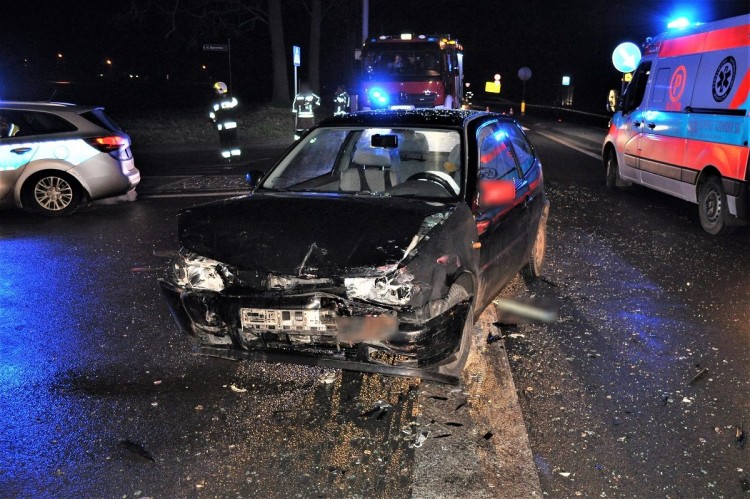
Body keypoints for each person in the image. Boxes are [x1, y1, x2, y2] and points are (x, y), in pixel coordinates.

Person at [209, 81, 240, 160]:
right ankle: (236, 157)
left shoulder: (216, 102)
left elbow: (212, 114)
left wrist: (213, 121)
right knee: (233, 141)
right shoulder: (232, 99)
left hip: (222, 126)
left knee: (224, 143)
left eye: (216, 90)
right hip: (231, 125)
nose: (215, 92)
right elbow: (237, 110)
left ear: (220, 89)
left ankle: (227, 158)